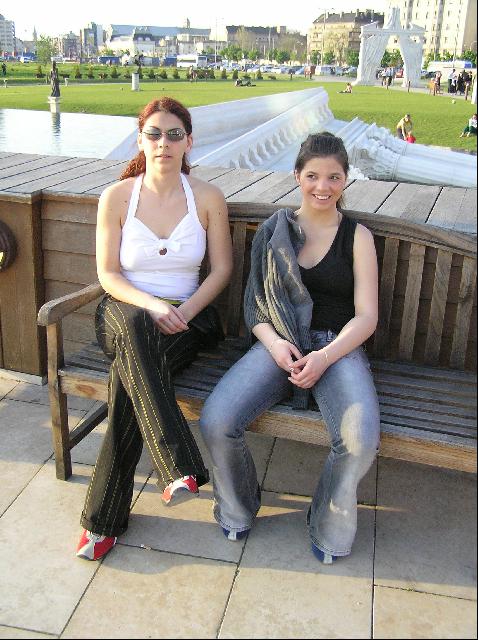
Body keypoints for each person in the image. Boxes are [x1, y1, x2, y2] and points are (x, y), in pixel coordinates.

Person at [200, 133, 380, 564]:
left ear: (346, 179)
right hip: (279, 341)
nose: (323, 186)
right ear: (297, 175)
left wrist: (325, 356)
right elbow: (256, 307)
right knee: (216, 421)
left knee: (359, 441)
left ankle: (327, 526)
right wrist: (277, 344)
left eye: (333, 177)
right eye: (313, 175)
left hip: (336, 346)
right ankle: (238, 507)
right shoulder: (274, 231)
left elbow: (366, 316)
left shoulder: (357, 237)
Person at [76, 97, 233, 561]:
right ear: (141, 140)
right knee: (135, 330)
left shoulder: (208, 197)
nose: (164, 143)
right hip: (125, 310)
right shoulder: (117, 197)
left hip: (186, 318)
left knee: (128, 387)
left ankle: (103, 521)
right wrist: (150, 305)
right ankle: (176, 463)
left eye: (174, 134)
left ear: (189, 141)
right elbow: (108, 274)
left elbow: (221, 270)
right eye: (154, 134)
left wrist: (182, 312)